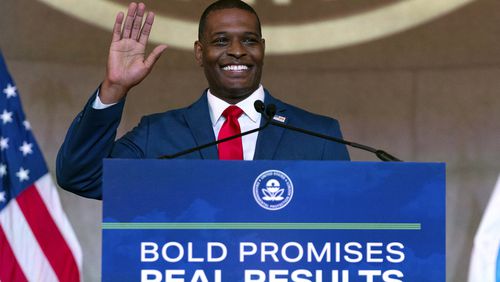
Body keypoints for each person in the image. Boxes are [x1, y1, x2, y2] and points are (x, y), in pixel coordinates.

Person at [56, 0, 350, 200]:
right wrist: (114, 88)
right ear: (199, 52)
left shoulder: (319, 136)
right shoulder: (156, 135)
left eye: (249, 40)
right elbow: (81, 176)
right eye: (221, 41)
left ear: (262, 49)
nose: (237, 51)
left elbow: (345, 223)